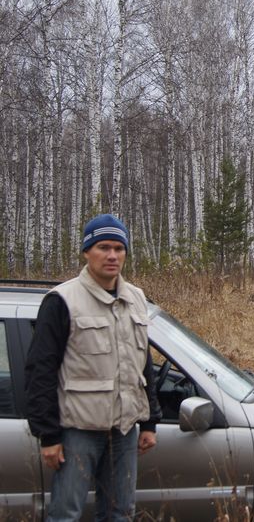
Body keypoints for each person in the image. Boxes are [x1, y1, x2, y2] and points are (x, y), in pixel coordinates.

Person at [25, 214, 162, 522]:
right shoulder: (62, 300)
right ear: (87, 251)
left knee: (120, 514)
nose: (112, 255)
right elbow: (40, 371)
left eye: (118, 248)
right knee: (65, 515)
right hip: (78, 431)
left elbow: (142, 363)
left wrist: (150, 421)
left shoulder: (136, 298)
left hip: (125, 431)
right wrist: (48, 435)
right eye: (103, 247)